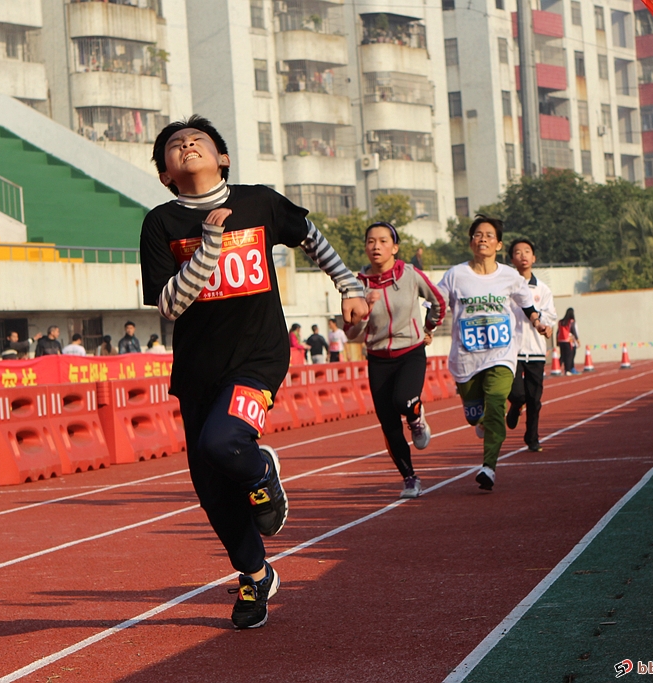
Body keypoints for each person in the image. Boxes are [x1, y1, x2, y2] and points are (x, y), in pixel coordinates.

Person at [140, 115, 367, 629]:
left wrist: (349, 286)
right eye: (175, 145)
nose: (188, 145)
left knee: (224, 444)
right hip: (198, 370)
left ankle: (262, 470)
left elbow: (310, 237)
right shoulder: (161, 223)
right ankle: (255, 574)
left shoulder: (259, 202)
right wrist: (209, 248)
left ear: (223, 157)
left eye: (199, 140)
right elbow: (170, 306)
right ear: (165, 174)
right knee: (211, 489)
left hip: (258, 357)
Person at [437, 215, 548, 491]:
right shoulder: (455, 275)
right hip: (466, 358)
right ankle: (481, 419)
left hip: (501, 355)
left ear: (498, 244)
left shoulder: (509, 276)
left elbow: (526, 304)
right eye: (477, 234)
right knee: (475, 416)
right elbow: (437, 303)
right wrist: (428, 327)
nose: (483, 238)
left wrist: (536, 322)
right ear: (470, 242)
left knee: (496, 404)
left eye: (489, 235)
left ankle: (488, 467)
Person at [346, 221, 444, 498]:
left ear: (395, 247)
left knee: (403, 400)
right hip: (378, 358)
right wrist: (366, 311)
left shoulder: (410, 275)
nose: (376, 246)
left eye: (383, 241)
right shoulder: (356, 285)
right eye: (370, 241)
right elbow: (350, 332)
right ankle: (410, 478)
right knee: (389, 425)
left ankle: (416, 419)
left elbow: (439, 301)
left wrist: (429, 328)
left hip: (410, 351)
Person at [505, 239, 557, 452]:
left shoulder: (543, 289)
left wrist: (541, 320)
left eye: (527, 251)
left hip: (535, 350)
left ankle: (532, 438)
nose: (523, 255)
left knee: (534, 399)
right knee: (517, 393)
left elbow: (551, 315)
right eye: (518, 252)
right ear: (512, 259)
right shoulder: (507, 287)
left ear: (534, 258)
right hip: (513, 350)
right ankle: (516, 406)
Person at [557, 308, 579, 375]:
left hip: (561, 340)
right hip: (568, 340)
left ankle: (557, 368)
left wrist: (557, 341)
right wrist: (577, 340)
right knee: (569, 356)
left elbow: (558, 332)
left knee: (562, 355)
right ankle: (567, 370)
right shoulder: (571, 321)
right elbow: (573, 331)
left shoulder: (560, 321)